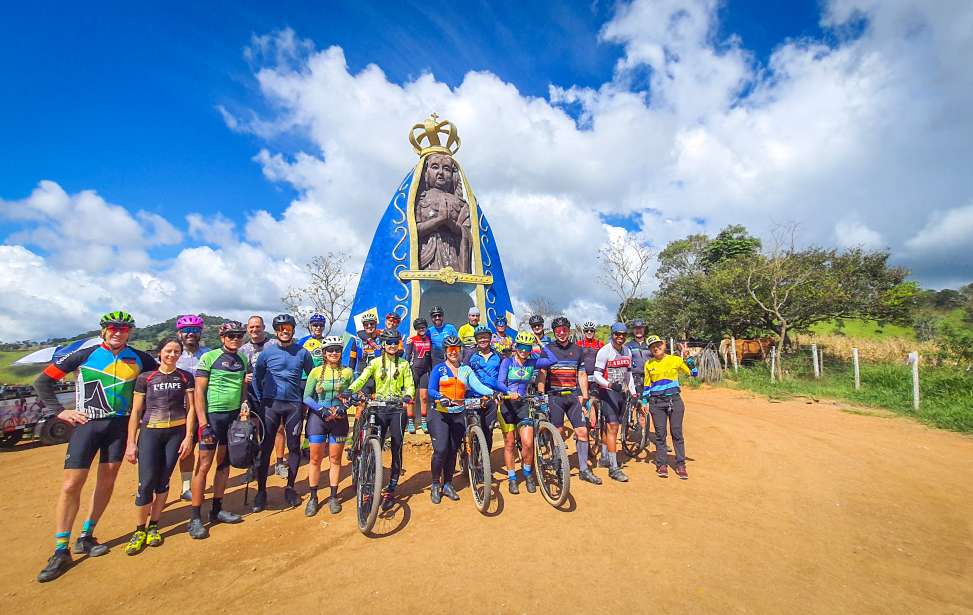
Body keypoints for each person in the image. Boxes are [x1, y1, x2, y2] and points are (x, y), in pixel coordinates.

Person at [33, 311, 158, 582]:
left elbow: (160, 378)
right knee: (71, 485)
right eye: (113, 328)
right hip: (87, 424)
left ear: (130, 332)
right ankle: (60, 548)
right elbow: (43, 381)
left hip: (119, 427)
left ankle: (87, 535)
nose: (118, 332)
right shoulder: (85, 355)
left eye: (124, 329)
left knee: (107, 481)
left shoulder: (140, 358)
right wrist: (59, 411)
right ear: (103, 330)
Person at [123, 337, 196, 554]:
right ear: (160, 352)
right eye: (168, 351)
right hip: (150, 432)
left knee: (163, 481)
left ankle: (154, 525)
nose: (172, 355)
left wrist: (189, 436)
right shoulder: (146, 378)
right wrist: (130, 442)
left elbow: (191, 409)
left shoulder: (185, 377)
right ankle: (139, 529)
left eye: (176, 351)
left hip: (176, 432)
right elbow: (136, 412)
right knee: (145, 483)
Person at [187, 322, 248, 539]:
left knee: (223, 465)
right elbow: (198, 392)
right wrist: (203, 423)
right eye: (231, 335)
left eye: (239, 335)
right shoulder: (210, 357)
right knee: (203, 465)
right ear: (222, 337)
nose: (235, 339)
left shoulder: (242, 359)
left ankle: (216, 509)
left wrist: (244, 406)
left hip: (232, 418)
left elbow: (242, 387)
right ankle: (195, 517)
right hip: (212, 417)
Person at [345, 330, 414, 511]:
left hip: (397, 409)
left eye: (395, 342)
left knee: (397, 446)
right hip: (378, 408)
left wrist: (407, 395)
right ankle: (369, 489)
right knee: (374, 446)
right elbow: (362, 378)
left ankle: (391, 488)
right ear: (383, 345)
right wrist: (349, 390)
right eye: (389, 342)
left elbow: (410, 384)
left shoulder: (405, 364)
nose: (392, 345)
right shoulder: (375, 363)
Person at [252, 314, 316, 512]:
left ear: (293, 330)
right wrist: (262, 399)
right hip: (270, 405)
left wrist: (306, 399)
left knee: (294, 447)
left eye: (288, 327)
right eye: (280, 328)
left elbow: (312, 377)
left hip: (294, 405)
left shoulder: (303, 353)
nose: (284, 331)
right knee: (266, 447)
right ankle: (261, 491)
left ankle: (290, 488)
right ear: (276, 331)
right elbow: (256, 378)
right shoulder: (266, 353)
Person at [427, 335, 494, 504]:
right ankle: (435, 484)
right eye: (450, 349)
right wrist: (440, 396)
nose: (453, 352)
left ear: (460, 350)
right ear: (445, 352)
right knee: (441, 449)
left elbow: (477, 385)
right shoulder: (439, 369)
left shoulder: (466, 370)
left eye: (456, 349)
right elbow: (430, 389)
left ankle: (448, 483)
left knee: (452, 449)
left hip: (458, 413)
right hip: (440, 413)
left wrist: (493, 393)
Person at [494, 330, 557, 494]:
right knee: (509, 444)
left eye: (527, 347)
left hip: (523, 405)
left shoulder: (532, 362)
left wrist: (540, 342)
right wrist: (509, 391)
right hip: (507, 405)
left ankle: (528, 473)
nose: (524, 350)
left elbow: (552, 360)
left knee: (528, 443)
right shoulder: (507, 362)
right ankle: (512, 478)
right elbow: (499, 382)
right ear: (515, 347)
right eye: (521, 346)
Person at [544, 317, 600, 485]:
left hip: (573, 396)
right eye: (558, 331)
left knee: (582, 432)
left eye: (564, 330)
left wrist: (585, 395)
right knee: (558, 433)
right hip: (555, 396)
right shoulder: (548, 348)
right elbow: (542, 373)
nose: (561, 333)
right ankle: (559, 464)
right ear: (554, 332)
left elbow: (581, 373)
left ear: (569, 331)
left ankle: (584, 470)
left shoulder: (577, 349)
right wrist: (541, 393)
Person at [302, 336, 354, 515]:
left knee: (335, 459)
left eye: (337, 350)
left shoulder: (348, 372)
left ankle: (333, 496)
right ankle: (313, 497)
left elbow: (352, 395)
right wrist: (321, 409)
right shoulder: (316, 372)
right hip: (318, 418)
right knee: (315, 459)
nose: (334, 353)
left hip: (339, 419)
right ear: (324, 353)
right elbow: (307, 397)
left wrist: (343, 407)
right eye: (330, 350)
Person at [642, 335, 697, 480]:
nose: (656, 347)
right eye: (652, 346)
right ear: (650, 349)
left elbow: (693, 373)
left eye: (658, 344)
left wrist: (688, 358)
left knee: (677, 434)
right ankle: (661, 464)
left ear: (664, 345)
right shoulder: (648, 364)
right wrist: (644, 401)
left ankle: (680, 464)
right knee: (660, 435)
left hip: (675, 401)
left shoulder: (675, 360)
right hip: (656, 403)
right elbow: (647, 385)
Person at [239, 315, 283, 479]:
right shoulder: (242, 350)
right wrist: (244, 378)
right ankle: (254, 465)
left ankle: (279, 463)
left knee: (278, 428)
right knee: (253, 429)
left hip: (274, 393)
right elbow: (238, 373)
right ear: (247, 329)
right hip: (252, 394)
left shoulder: (274, 344)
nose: (254, 330)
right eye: (251, 327)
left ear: (264, 327)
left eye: (258, 326)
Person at [591, 323, 636, 483]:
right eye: (617, 334)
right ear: (612, 334)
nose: (620, 337)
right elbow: (596, 375)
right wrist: (610, 385)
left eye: (623, 334)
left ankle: (604, 457)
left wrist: (634, 392)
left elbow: (628, 374)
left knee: (609, 427)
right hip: (608, 392)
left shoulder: (627, 351)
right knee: (613, 427)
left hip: (622, 393)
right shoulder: (605, 351)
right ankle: (613, 467)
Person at [174, 315, 209, 501]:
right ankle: (186, 486)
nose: (190, 334)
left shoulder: (209, 354)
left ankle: (197, 482)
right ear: (179, 333)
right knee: (184, 450)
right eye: (187, 330)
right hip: (180, 409)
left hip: (204, 409)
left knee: (204, 449)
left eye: (195, 330)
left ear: (200, 333)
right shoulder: (172, 354)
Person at [465, 325, 502, 452]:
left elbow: (503, 377)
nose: (482, 340)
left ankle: (484, 461)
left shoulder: (498, 356)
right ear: (476, 340)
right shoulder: (470, 355)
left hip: (492, 397)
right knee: (471, 426)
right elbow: (463, 373)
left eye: (485, 337)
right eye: (480, 338)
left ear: (490, 338)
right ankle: (468, 454)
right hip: (473, 396)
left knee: (488, 430)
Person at [404, 317, 433, 434]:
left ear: (426, 328)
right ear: (416, 329)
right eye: (419, 328)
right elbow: (407, 357)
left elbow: (430, 357)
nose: (421, 329)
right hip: (414, 371)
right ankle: (411, 422)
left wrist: (431, 371)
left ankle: (424, 421)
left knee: (424, 397)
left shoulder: (429, 340)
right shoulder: (412, 340)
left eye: (423, 327)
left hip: (425, 371)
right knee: (411, 398)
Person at [577, 320, 604, 430]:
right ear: (584, 332)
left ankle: (594, 423)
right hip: (581, 376)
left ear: (594, 332)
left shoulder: (599, 344)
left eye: (591, 330)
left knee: (593, 400)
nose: (589, 332)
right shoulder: (579, 344)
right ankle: (580, 425)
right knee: (581, 400)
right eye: (587, 330)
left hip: (595, 376)